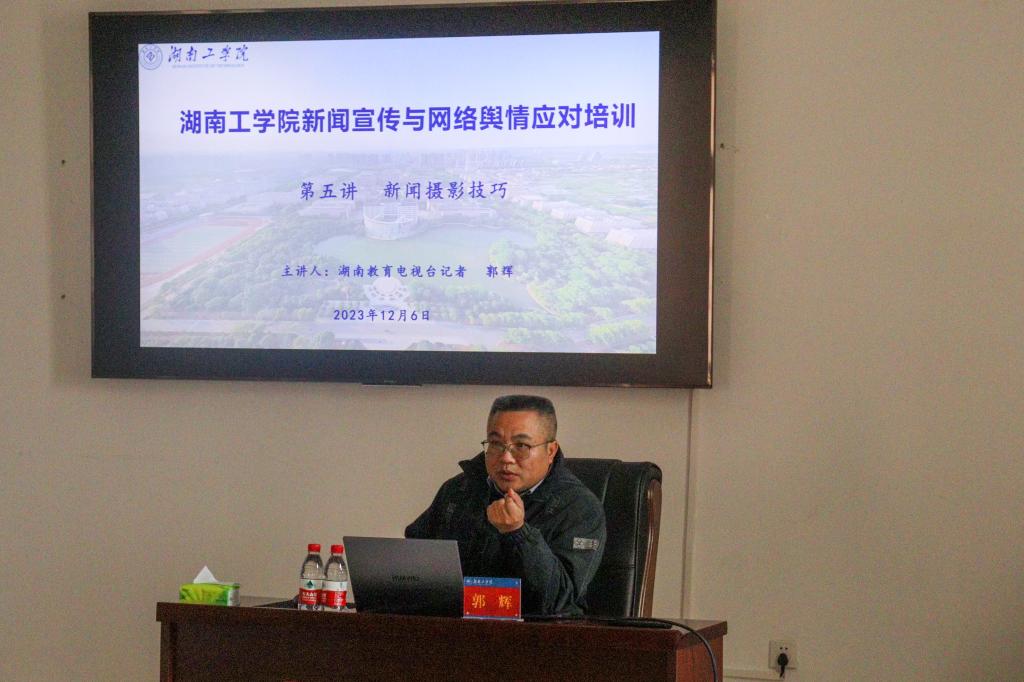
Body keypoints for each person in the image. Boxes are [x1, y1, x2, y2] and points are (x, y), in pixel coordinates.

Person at [405, 395, 606, 616]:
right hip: (452, 628)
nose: (506, 458)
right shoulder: (459, 491)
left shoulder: (580, 508)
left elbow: (559, 601)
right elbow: (414, 565)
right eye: (496, 444)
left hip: (534, 633)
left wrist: (518, 533)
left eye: (521, 446)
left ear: (550, 451)